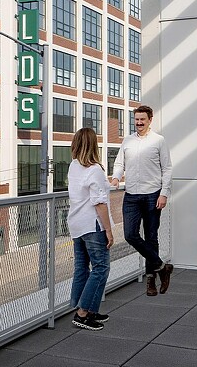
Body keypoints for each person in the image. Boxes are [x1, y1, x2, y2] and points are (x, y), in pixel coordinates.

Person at [110, 105, 174, 296]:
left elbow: (167, 169)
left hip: (153, 194)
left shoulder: (158, 141)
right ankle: (162, 267)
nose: (138, 123)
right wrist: (115, 177)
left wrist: (164, 193)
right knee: (130, 235)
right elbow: (120, 162)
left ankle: (150, 281)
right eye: (136, 119)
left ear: (150, 120)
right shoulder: (127, 141)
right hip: (131, 195)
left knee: (151, 237)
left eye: (142, 120)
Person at [67, 126, 113, 331]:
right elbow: (99, 203)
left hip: (76, 223)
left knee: (82, 268)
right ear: (93, 145)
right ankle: (82, 313)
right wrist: (109, 230)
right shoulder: (95, 169)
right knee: (101, 268)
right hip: (92, 224)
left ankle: (87, 308)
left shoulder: (73, 166)